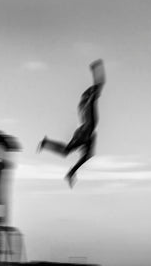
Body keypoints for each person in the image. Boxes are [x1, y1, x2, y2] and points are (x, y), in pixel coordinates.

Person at [38, 60, 106, 188]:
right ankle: (46, 144)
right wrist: (97, 70)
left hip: (86, 133)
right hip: (84, 133)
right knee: (67, 151)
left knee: (79, 153)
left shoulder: (84, 107)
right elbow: (98, 86)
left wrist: (97, 74)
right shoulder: (88, 104)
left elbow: (96, 90)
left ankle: (70, 171)